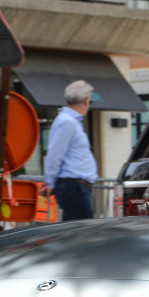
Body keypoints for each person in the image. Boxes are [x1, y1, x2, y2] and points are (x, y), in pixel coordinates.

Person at [42, 80, 99, 221]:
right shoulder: (67, 121)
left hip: (76, 187)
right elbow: (55, 154)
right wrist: (49, 182)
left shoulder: (69, 121)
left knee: (77, 233)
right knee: (81, 234)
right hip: (74, 187)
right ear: (86, 101)